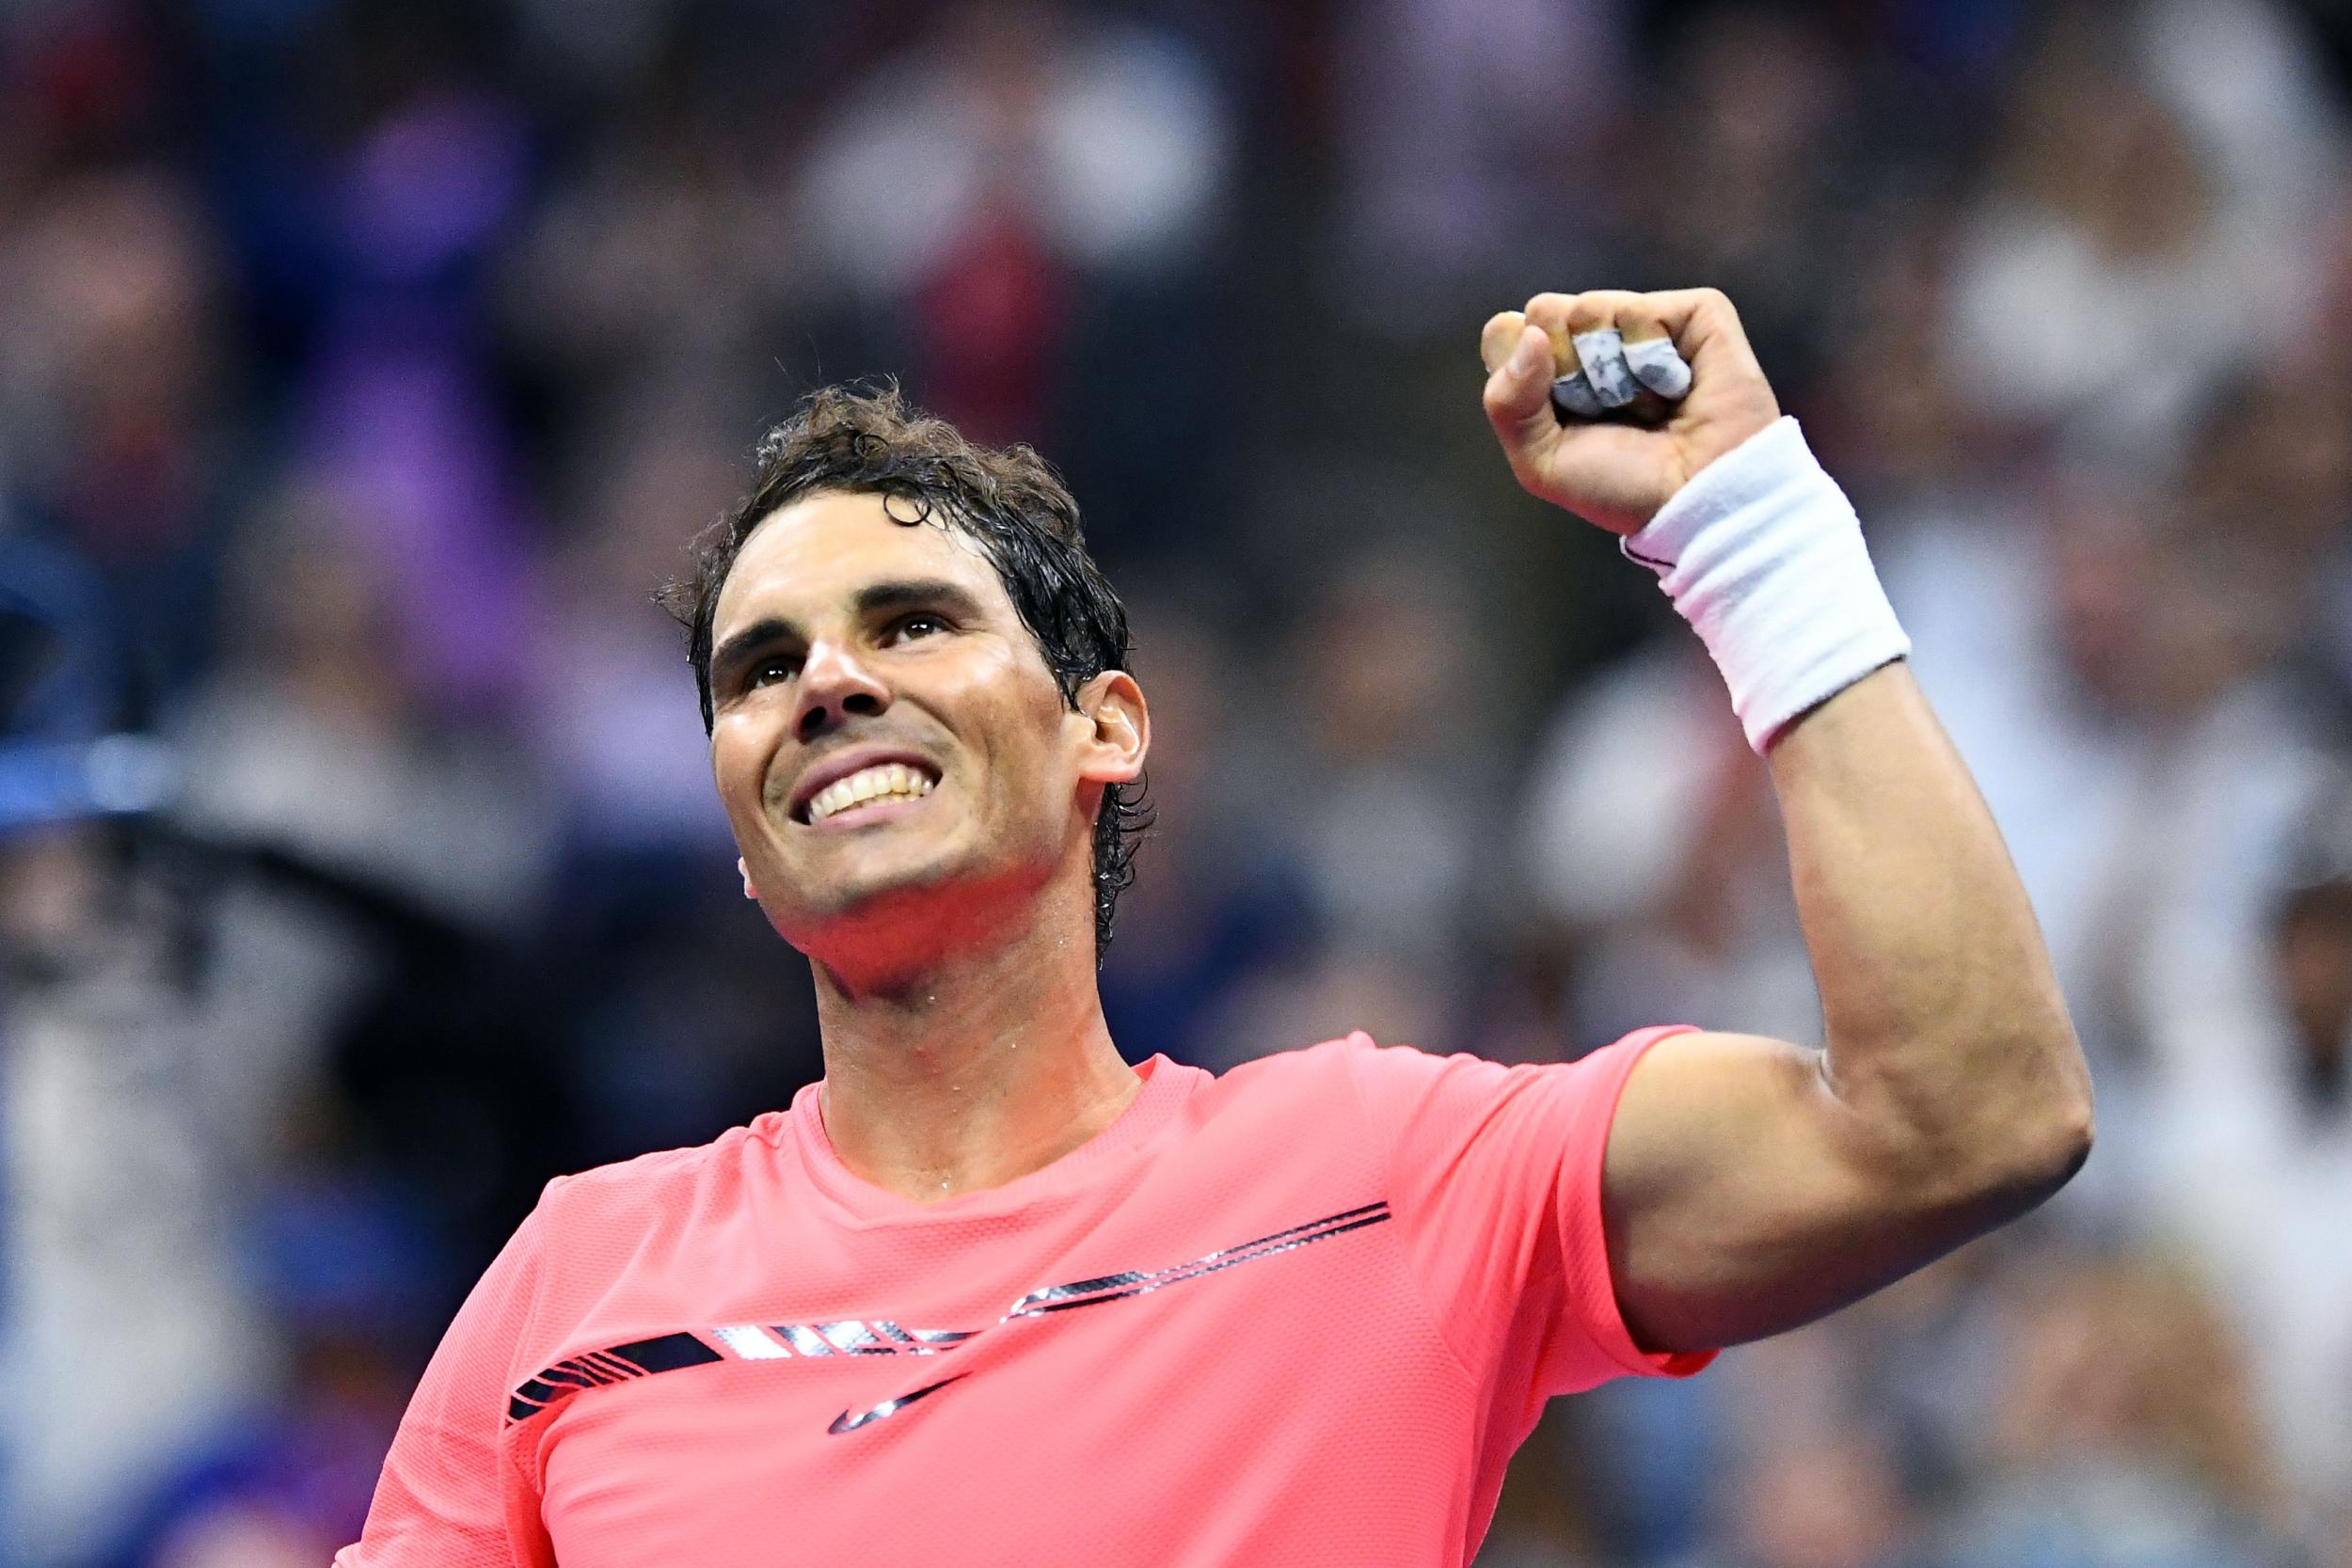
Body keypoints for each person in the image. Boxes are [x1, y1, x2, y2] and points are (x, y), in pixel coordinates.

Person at [336, 288, 2092, 1566]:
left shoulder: (1392, 1175)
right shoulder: (581, 1280)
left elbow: (1966, 1115)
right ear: (741, 830)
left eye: (912, 621)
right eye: (762, 666)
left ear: (1105, 725)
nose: (831, 685)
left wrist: (1756, 532)